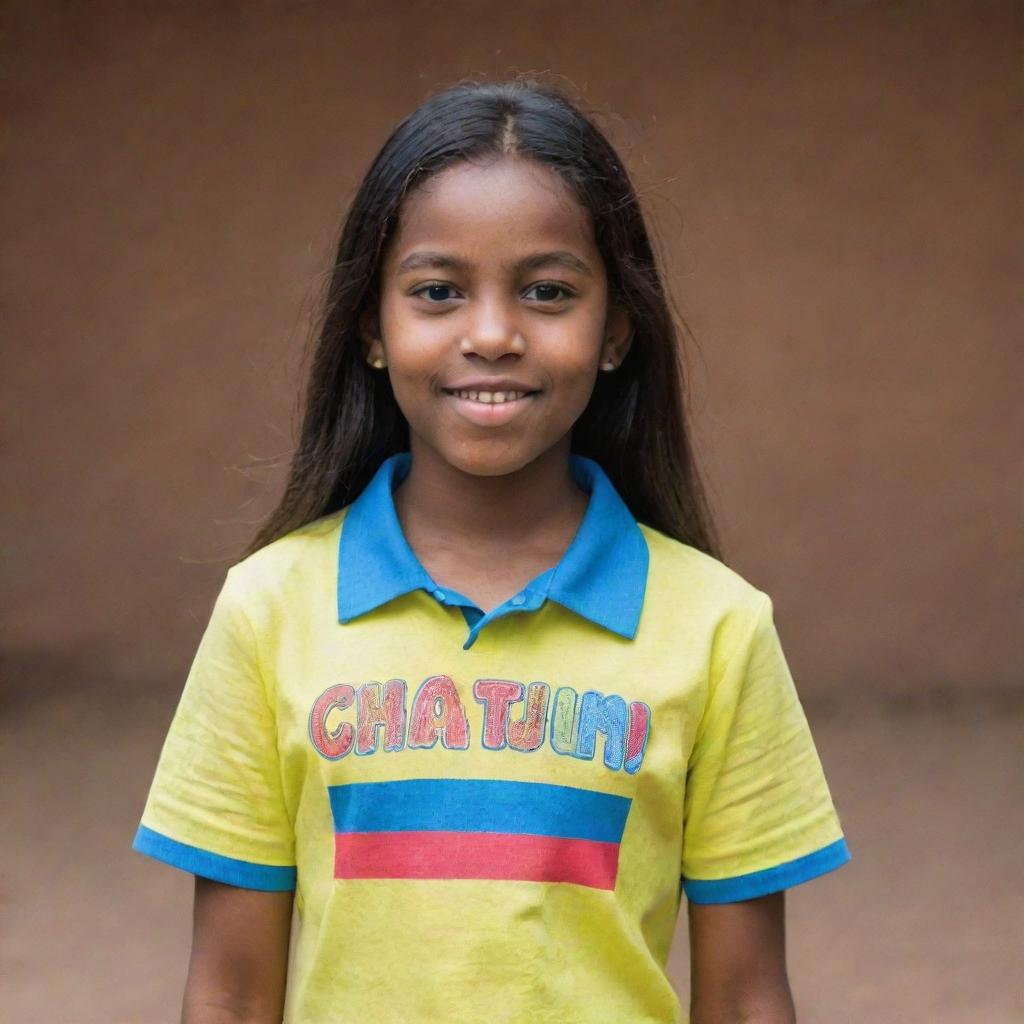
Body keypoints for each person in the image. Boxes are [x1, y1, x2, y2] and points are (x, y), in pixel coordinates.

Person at [132, 76, 851, 1024]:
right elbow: (227, 993)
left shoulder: (717, 627)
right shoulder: (269, 609)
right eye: (437, 292)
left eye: (548, 292)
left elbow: (749, 997)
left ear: (616, 331)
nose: (492, 334)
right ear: (371, 328)